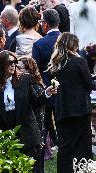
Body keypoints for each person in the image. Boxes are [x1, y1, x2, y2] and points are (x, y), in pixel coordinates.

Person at [0, 50, 57, 173]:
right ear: (1, 64)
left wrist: (46, 93)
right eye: (10, 62)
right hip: (7, 132)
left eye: (15, 62)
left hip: (27, 132)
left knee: (32, 169)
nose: (13, 65)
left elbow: (35, 102)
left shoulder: (25, 79)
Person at [47, 32, 96, 173]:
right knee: (82, 145)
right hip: (80, 109)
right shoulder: (79, 61)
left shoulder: (56, 63)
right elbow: (89, 84)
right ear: (73, 45)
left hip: (63, 109)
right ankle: (82, 170)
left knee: (65, 146)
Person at [32, 9, 61, 154]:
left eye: (41, 22)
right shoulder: (67, 40)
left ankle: (51, 145)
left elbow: (35, 69)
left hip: (47, 88)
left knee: (46, 121)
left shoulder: (40, 44)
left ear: (45, 25)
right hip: (65, 90)